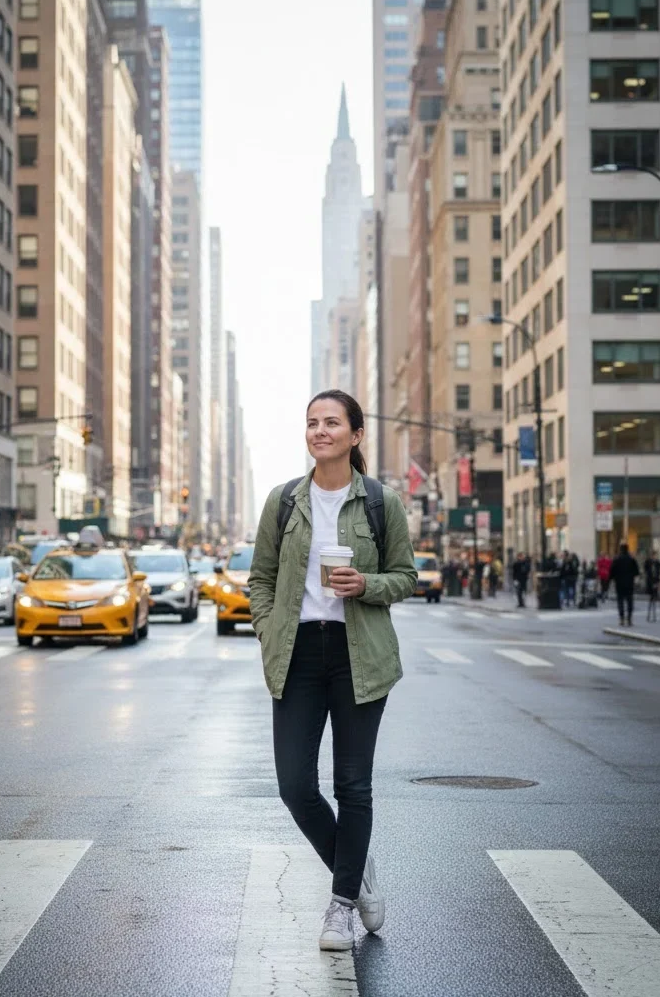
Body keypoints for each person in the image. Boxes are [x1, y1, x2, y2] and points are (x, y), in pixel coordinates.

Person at [249, 389, 417, 952]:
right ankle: (356, 867)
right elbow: (261, 579)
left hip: (358, 654)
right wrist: (268, 628)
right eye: (312, 422)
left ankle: (343, 904)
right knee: (295, 786)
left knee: (353, 785)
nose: (320, 431)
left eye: (332, 423)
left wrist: (366, 585)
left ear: (356, 435)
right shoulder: (282, 503)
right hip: (297, 654)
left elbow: (406, 577)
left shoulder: (379, 502)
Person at [610, 543, 640, 627]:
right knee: (629, 601)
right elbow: (636, 572)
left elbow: (612, 571)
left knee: (620, 601)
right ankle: (629, 618)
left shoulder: (616, 559)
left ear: (620, 549)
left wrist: (612, 579)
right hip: (629, 583)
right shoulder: (631, 559)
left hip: (619, 583)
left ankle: (621, 618)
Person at [643, 550, 660, 622]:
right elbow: (646, 571)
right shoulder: (648, 562)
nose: (654, 557)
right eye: (653, 555)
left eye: (655, 555)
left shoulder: (658, 563)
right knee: (651, 598)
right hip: (650, 582)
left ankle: (653, 615)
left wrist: (658, 583)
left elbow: (659, 573)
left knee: (654, 598)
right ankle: (649, 615)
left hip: (655, 582)